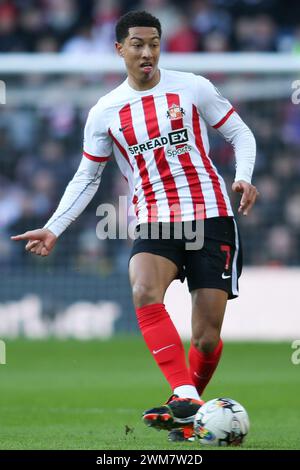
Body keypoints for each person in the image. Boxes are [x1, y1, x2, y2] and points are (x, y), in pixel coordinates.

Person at [11, 10, 258, 442]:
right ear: (119, 49)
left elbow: (241, 134)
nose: (147, 52)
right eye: (138, 44)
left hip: (211, 213)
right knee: (143, 289)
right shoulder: (105, 111)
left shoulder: (193, 87)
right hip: (155, 218)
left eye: (154, 43)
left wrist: (246, 174)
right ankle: (184, 394)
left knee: (205, 338)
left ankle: (187, 414)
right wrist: (54, 227)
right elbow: (87, 177)